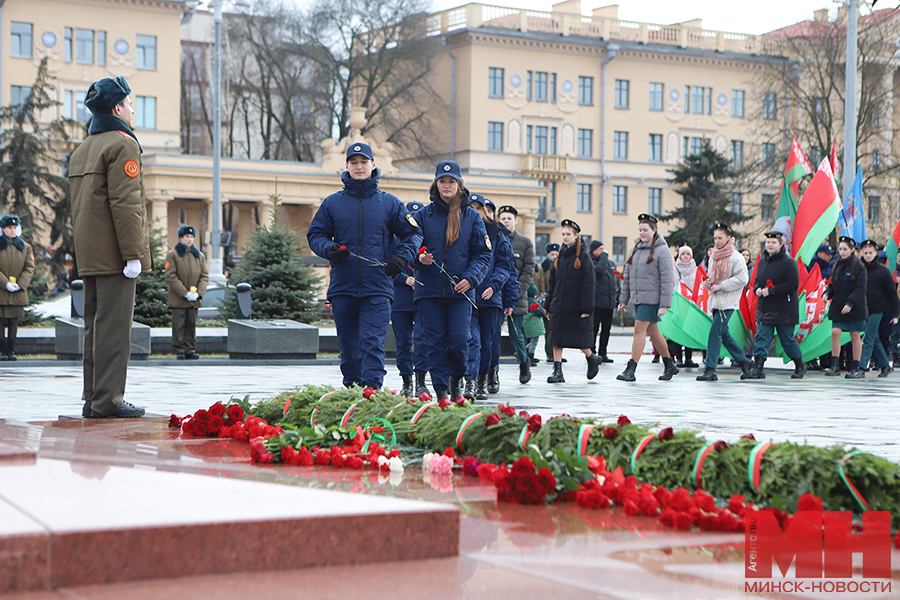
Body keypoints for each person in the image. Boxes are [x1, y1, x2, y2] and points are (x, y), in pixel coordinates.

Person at [68, 76, 150, 418]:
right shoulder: (122, 144)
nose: (132, 109)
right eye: (129, 103)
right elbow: (126, 204)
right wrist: (134, 254)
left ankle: (92, 396)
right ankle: (109, 401)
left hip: (89, 252)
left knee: (94, 327)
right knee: (114, 329)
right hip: (115, 254)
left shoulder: (83, 149)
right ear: (117, 108)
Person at [307, 142, 419, 390]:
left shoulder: (389, 203)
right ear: (346, 166)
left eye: (364, 162)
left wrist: (401, 258)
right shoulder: (332, 203)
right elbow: (315, 235)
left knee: (372, 343)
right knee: (348, 348)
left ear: (373, 165)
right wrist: (329, 249)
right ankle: (351, 394)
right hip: (343, 288)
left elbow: (413, 235)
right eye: (354, 162)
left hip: (378, 288)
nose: (359, 166)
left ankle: (371, 395)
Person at [413, 160, 491, 400]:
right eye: (442, 181)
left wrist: (470, 279)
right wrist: (420, 259)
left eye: (451, 181)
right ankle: (440, 394)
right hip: (430, 292)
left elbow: (483, 255)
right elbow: (411, 247)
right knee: (434, 344)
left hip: (461, 293)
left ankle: (456, 379)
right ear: (436, 184)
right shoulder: (422, 215)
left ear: (459, 184)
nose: (446, 185)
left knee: (459, 341)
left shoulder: (472, 217)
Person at [617, 214, 677, 382]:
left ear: (654, 230)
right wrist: (624, 300)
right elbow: (627, 276)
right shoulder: (635, 249)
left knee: (639, 330)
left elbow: (667, 279)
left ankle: (631, 369)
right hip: (639, 298)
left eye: (645, 230)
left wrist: (665, 304)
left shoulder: (662, 250)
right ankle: (669, 365)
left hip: (652, 299)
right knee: (653, 332)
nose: (642, 233)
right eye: (640, 230)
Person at [465, 195, 512, 400]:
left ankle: (483, 381)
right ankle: (470, 381)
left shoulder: (498, 236)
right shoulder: (461, 231)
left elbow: (504, 266)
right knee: (471, 340)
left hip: (491, 298)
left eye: (479, 208)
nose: (476, 211)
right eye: (471, 207)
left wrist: (494, 287)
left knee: (487, 342)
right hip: (466, 297)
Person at [544, 220, 600, 383]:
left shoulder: (583, 256)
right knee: (556, 338)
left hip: (575, 306)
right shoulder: (560, 256)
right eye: (563, 234)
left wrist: (586, 308)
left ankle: (591, 358)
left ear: (576, 236)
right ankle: (558, 371)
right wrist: (548, 305)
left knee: (579, 340)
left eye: (568, 234)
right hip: (559, 305)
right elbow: (552, 283)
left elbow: (589, 284)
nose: (565, 237)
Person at [696, 223, 751, 381]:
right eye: (715, 238)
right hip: (716, 299)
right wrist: (708, 283)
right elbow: (711, 275)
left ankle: (710, 368)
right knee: (723, 333)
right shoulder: (714, 255)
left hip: (728, 301)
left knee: (715, 333)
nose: (717, 241)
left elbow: (742, 279)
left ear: (729, 238)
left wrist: (721, 286)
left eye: (720, 238)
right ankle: (743, 361)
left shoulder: (736, 257)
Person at [746, 231, 805, 380]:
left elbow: (793, 285)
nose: (770, 245)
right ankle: (758, 367)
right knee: (762, 337)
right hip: (765, 307)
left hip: (784, 308)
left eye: (773, 242)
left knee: (787, 339)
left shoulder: (788, 262)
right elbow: (758, 280)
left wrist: (772, 291)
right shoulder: (763, 261)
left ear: (780, 244)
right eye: (768, 242)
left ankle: (799, 365)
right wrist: (757, 289)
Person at [389, 201, 426, 398]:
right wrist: (405, 279)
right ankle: (406, 381)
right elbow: (388, 268)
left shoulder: (426, 240)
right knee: (403, 342)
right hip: (401, 298)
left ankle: (421, 380)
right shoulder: (395, 241)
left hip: (423, 298)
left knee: (422, 340)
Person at [497, 205, 535, 384]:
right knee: (492, 335)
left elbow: (528, 270)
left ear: (516, 221)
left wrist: (517, 292)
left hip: (517, 297)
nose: (506, 221)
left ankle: (523, 362)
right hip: (495, 294)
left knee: (516, 334)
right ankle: (492, 372)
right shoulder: (494, 239)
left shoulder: (525, 243)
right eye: (503, 218)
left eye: (509, 218)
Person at [825, 236, 867, 378]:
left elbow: (860, 289)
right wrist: (827, 293)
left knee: (855, 335)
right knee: (835, 332)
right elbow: (833, 284)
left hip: (855, 307)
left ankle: (856, 367)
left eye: (845, 249)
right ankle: (835, 365)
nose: (842, 252)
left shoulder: (859, 267)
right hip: (838, 307)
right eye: (840, 249)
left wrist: (850, 303)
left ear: (852, 250)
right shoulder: (837, 265)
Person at [165, 225, 209, 360]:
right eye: (187, 237)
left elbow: (204, 276)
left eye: (191, 237)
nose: (189, 240)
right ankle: (179, 349)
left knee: (191, 324)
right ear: (181, 238)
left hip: (194, 298)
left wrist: (199, 293)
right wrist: (184, 293)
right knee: (179, 325)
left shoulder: (199, 255)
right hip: (179, 298)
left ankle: (190, 349)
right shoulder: (173, 255)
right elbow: (171, 276)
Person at [858, 240, 899, 377]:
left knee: (868, 338)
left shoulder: (883, 271)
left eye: (870, 253)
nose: (868, 255)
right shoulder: (859, 269)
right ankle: (885, 365)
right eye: (865, 253)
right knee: (873, 338)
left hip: (877, 309)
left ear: (876, 253)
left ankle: (862, 368)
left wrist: (895, 313)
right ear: (862, 253)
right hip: (862, 309)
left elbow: (891, 293)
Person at [0, 215, 34, 361]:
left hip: (18, 291)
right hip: (1, 290)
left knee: (14, 321)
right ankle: (2, 351)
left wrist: (20, 285)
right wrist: (5, 283)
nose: (12, 231)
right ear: (3, 229)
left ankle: (10, 350)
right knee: (0, 320)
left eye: (14, 228)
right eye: (9, 228)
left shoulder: (25, 247)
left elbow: (29, 267)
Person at [669, 245, 699, 368]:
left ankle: (688, 358)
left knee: (689, 331)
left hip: (691, 304)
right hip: (679, 303)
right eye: (683, 254)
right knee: (679, 330)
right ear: (679, 256)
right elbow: (672, 284)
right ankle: (678, 358)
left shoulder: (696, 269)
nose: (685, 256)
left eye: (688, 254)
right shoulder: (674, 270)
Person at [590, 240, 617, 363]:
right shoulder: (591, 262)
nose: (603, 251)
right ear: (593, 251)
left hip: (608, 302)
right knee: (594, 328)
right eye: (600, 249)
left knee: (606, 329)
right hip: (596, 302)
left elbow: (613, 280)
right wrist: (604, 257)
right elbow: (598, 272)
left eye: (604, 248)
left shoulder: (608, 263)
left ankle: (603, 353)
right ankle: (592, 353)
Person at [536, 242, 559, 363]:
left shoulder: (560, 266)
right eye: (552, 254)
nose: (554, 256)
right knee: (548, 328)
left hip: (558, 299)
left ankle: (557, 354)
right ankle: (550, 353)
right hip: (547, 299)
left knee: (557, 329)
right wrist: (542, 297)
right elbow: (541, 283)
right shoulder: (543, 268)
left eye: (556, 254)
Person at [523, 282, 546, 373]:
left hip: (528, 325)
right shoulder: (533, 303)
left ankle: (523, 350)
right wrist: (542, 303)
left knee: (532, 342)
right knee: (534, 342)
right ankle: (530, 357)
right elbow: (541, 312)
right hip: (534, 326)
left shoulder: (525, 301)